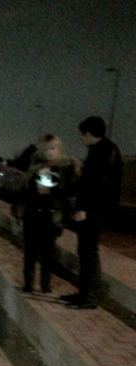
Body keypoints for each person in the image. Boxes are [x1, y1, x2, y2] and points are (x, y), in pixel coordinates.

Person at [60, 116, 123, 310]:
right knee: (85, 252)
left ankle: (90, 297)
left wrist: (84, 209)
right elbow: (89, 182)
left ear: (88, 134)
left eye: (81, 135)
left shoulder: (103, 152)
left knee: (89, 253)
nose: (80, 139)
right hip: (95, 210)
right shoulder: (104, 150)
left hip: (95, 212)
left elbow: (96, 185)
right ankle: (84, 293)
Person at [12, 134, 79, 293]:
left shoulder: (66, 168)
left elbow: (70, 192)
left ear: (59, 149)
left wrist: (52, 191)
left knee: (48, 252)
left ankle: (45, 284)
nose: (49, 152)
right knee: (30, 251)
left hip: (51, 215)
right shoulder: (34, 167)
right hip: (32, 213)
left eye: (53, 148)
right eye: (46, 148)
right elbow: (24, 191)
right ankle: (28, 283)